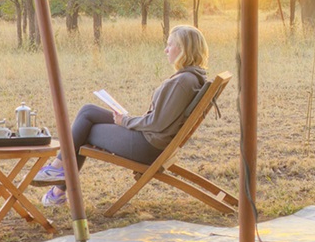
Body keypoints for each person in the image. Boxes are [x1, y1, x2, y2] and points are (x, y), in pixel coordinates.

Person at [47, 26, 210, 192]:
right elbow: (160, 120)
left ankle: (56, 176)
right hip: (151, 140)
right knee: (88, 112)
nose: (165, 49)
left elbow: (157, 123)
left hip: (147, 146)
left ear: (183, 49)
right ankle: (56, 176)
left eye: (170, 45)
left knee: (84, 130)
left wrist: (125, 121)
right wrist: (127, 120)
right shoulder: (191, 77)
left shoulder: (182, 82)